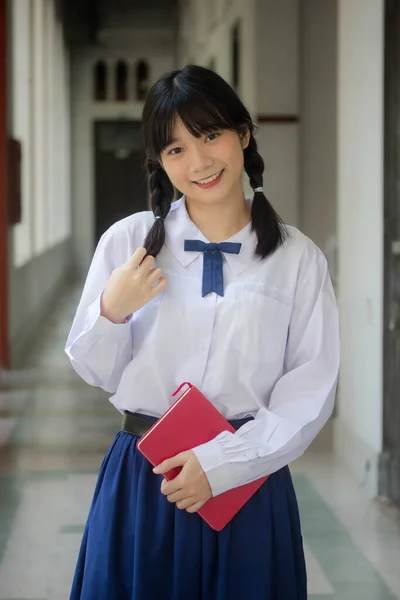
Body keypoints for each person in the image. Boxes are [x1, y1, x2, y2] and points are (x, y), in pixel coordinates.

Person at [65, 64, 340, 600]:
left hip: (247, 480)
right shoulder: (128, 244)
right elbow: (95, 370)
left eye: (210, 135)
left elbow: (310, 389)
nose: (198, 162)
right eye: (175, 150)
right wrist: (112, 310)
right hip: (146, 480)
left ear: (244, 133)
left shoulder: (296, 258)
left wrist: (221, 466)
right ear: (160, 163)